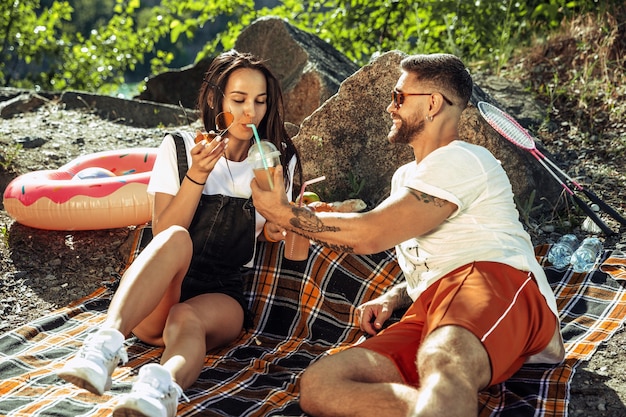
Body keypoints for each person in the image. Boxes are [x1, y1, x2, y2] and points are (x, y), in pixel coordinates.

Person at [250, 53, 565, 417]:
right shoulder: (405, 178)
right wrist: (396, 296)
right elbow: (424, 255)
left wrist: (284, 214)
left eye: (399, 97)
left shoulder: (463, 159)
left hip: (492, 280)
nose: (389, 107)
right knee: (321, 384)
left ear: (432, 104)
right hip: (431, 305)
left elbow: (372, 234)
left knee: (440, 359)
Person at [57, 49, 301, 417]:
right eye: (238, 100)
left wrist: (285, 216)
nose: (251, 112)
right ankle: (104, 346)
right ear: (216, 99)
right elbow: (163, 231)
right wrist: (197, 176)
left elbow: (278, 239)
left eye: (260, 101)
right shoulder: (182, 147)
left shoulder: (278, 159)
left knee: (186, 318)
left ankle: (158, 393)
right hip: (157, 294)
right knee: (175, 237)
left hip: (222, 294)